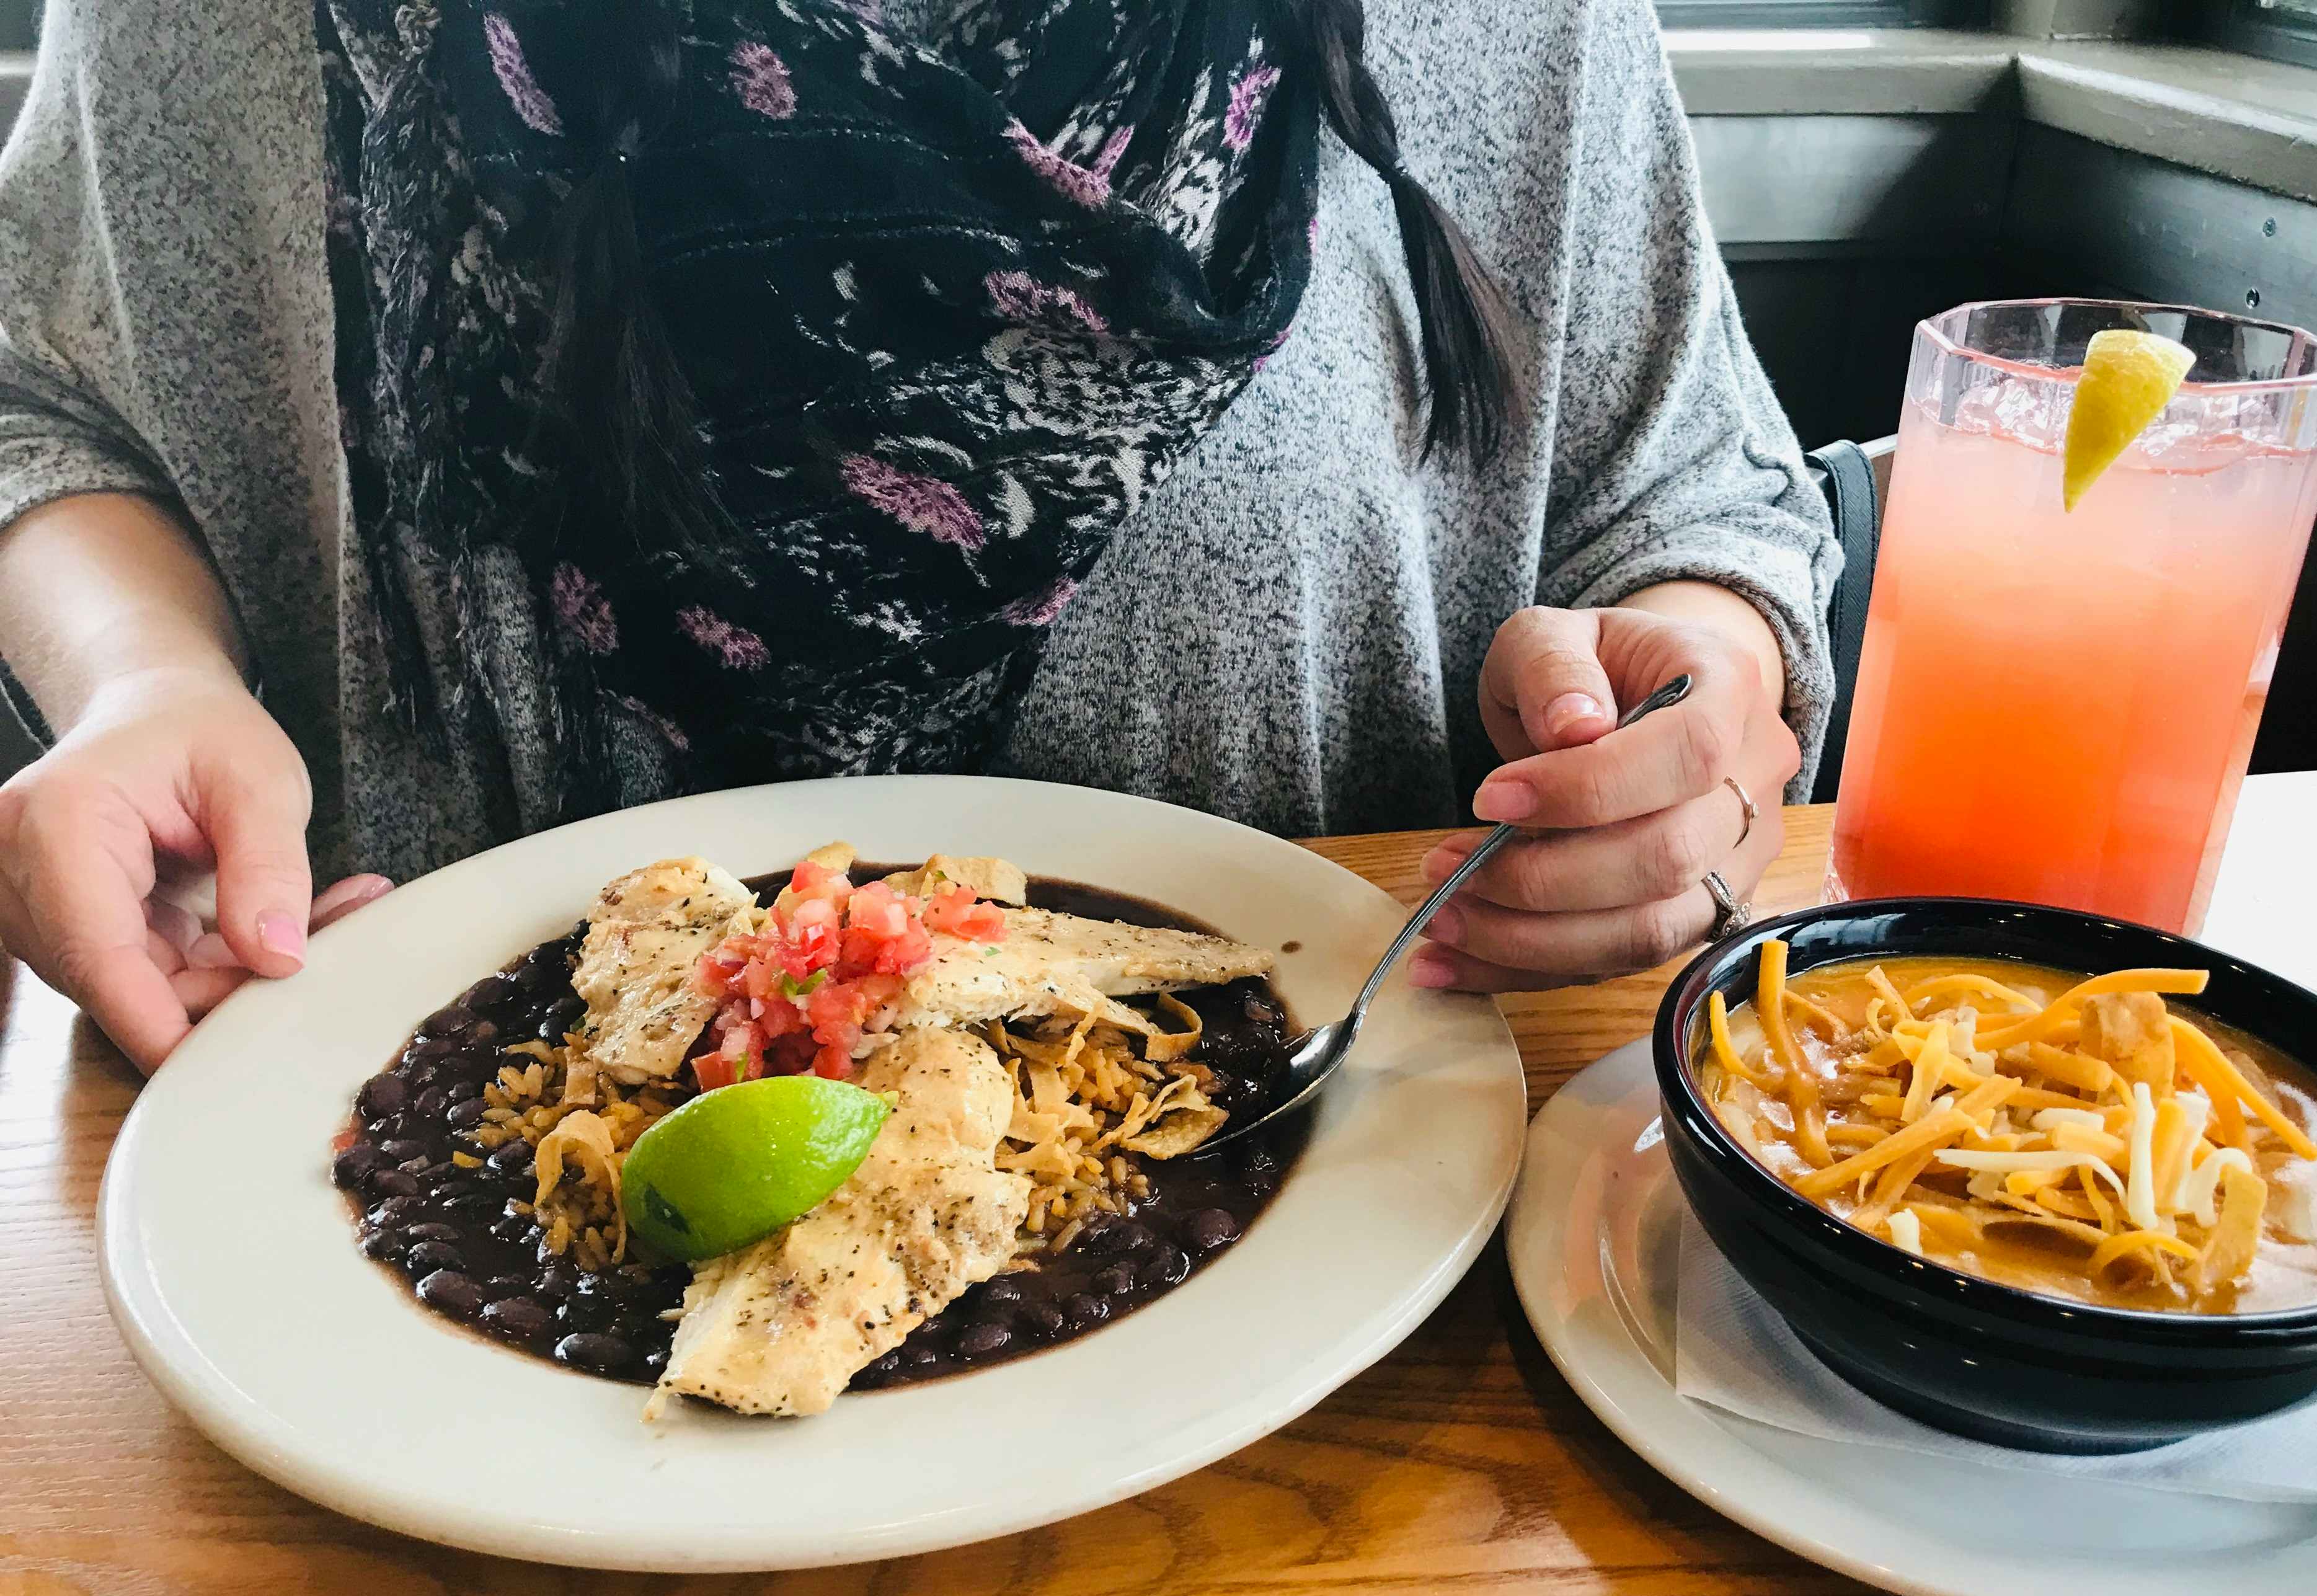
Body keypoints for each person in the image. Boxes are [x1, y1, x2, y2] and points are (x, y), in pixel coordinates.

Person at [0, 0, 1836, 1073]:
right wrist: (139, 679)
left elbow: (1691, 499)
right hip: (405, 1305)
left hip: (1336, 1291)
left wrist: (1687, 720)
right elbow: (44, 390)